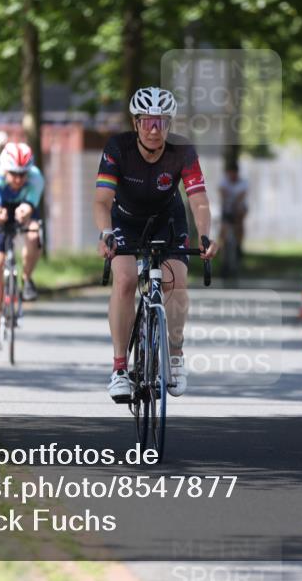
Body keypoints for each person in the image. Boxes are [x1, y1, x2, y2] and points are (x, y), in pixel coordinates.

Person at [94, 87, 218, 402]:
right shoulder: (117, 148)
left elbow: (199, 201)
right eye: (147, 121)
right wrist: (106, 233)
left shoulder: (182, 150)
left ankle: (175, 355)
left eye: (161, 122)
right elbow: (101, 201)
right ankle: (120, 368)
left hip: (167, 219)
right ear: (135, 123)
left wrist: (204, 235)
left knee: (175, 281)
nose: (154, 129)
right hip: (125, 219)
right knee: (124, 279)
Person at [0, 142, 45, 349]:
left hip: (23, 205)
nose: (18, 179)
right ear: (4, 170)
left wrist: (25, 211)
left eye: (22, 174)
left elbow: (30, 204)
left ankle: (27, 278)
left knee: (34, 234)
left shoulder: (35, 178)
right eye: (13, 174)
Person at [218, 162, 248, 259]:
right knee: (223, 228)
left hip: (239, 208)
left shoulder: (243, 183)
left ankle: (239, 245)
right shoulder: (224, 182)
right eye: (230, 173)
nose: (232, 175)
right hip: (227, 209)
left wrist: (234, 202)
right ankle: (221, 248)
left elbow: (242, 196)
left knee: (239, 222)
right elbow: (222, 192)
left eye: (233, 173)